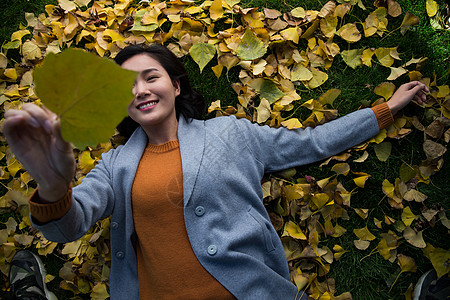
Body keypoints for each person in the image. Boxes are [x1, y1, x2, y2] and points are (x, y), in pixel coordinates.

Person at [2, 44, 429, 300]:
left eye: (151, 77)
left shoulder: (232, 133)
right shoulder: (115, 165)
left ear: (176, 85)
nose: (141, 90)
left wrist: (386, 109)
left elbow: (312, 143)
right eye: (125, 87)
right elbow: (67, 229)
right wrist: (55, 185)